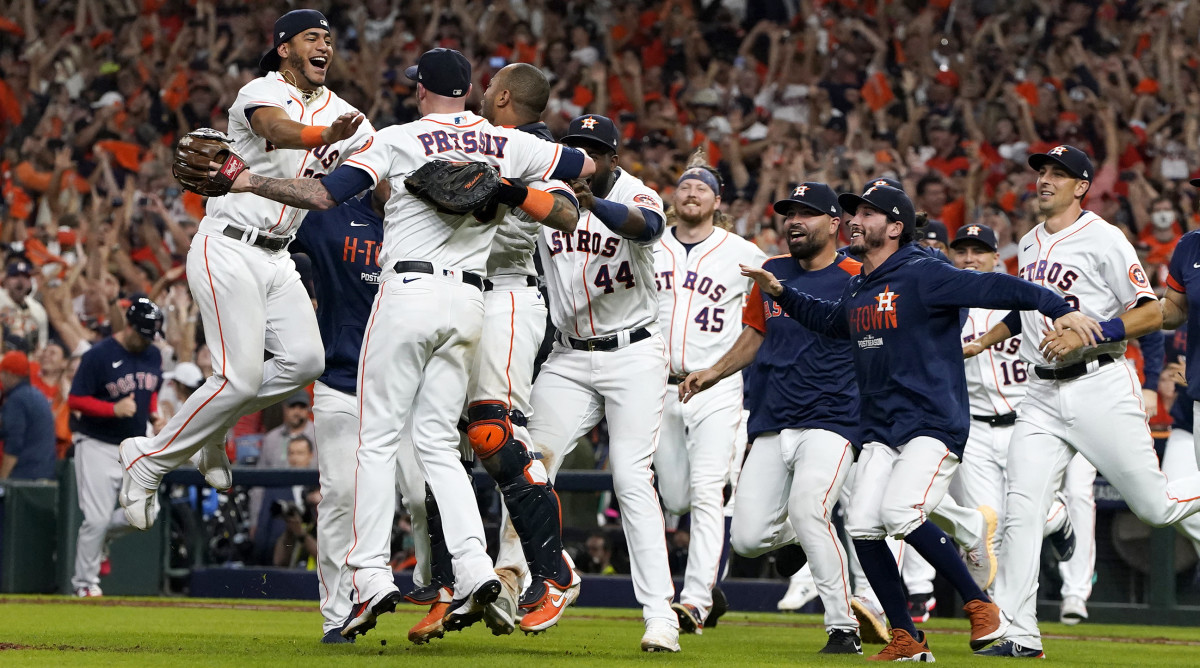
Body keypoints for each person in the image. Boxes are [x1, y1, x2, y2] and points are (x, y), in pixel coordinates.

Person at [222, 47, 594, 640]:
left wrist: (243, 178)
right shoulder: (507, 143)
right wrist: (504, 183)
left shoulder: (399, 138)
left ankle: (370, 575)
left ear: (422, 90)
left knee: (376, 439)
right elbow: (581, 167)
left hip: (410, 291)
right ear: (471, 92)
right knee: (439, 448)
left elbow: (322, 196)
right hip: (472, 303)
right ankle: (474, 568)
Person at [742, 183, 1097, 661]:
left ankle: (980, 605)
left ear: (894, 227)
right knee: (864, 527)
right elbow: (833, 322)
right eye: (852, 212)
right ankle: (907, 637)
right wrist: (782, 291)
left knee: (901, 513)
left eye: (866, 213)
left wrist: (1060, 308)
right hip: (881, 429)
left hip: (932, 424)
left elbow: (998, 286)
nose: (854, 220)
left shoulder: (925, 273)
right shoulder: (861, 282)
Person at [118, 8, 373, 530]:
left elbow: (371, 168)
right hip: (228, 245)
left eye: (327, 38)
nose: (323, 45)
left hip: (279, 257)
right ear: (285, 48)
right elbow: (276, 132)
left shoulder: (347, 112)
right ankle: (148, 458)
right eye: (310, 38)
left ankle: (210, 430)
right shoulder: (261, 91)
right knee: (239, 377)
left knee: (305, 362)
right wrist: (327, 133)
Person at [970, 145, 1200, 658]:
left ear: (1081, 187)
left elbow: (1152, 313)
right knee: (1021, 510)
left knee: (1155, 507)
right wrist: (988, 338)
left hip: (1099, 384)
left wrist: (1092, 336)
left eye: (1059, 174)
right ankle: (1018, 632)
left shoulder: (1105, 238)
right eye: (1042, 172)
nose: (1045, 180)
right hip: (1041, 391)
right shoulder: (1027, 244)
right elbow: (1030, 312)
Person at [494, 113, 681, 653]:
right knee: (525, 463)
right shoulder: (550, 196)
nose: (584, 158)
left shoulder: (636, 193)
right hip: (570, 355)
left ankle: (660, 615)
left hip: (634, 353)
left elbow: (647, 228)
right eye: (575, 147)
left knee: (629, 477)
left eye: (594, 151)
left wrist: (591, 203)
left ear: (613, 159)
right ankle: (519, 578)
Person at [409, 62, 583, 642]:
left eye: (488, 88)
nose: (479, 93)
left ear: (503, 94)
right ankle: (454, 584)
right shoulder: (477, 137)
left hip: (510, 292)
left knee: (492, 432)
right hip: (462, 292)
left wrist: (507, 188)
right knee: (439, 438)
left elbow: (565, 210)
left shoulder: (533, 146)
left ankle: (554, 574)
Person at [679, 182, 864, 653]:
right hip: (771, 417)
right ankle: (797, 540)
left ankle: (843, 627)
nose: (795, 221)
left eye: (807, 213)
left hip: (834, 417)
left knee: (809, 509)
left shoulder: (856, 275)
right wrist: (714, 372)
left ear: (834, 224)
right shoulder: (770, 271)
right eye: (789, 213)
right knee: (745, 537)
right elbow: (755, 335)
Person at [652, 158, 765, 634]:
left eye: (702, 187)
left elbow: (767, 314)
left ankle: (694, 600)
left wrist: (721, 371)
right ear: (673, 198)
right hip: (657, 385)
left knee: (703, 493)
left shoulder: (743, 252)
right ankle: (701, 591)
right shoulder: (649, 244)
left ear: (717, 202)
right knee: (673, 497)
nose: (692, 191)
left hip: (715, 385)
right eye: (685, 185)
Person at [66, 298, 164, 597]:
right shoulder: (98, 355)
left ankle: (102, 539)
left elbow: (150, 391)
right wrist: (112, 409)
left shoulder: (153, 356)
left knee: (147, 513)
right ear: (129, 326)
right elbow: (75, 400)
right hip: (96, 443)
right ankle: (85, 585)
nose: (147, 341)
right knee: (95, 519)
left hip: (133, 445)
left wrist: (155, 414)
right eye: (143, 334)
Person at [0, 350, 55, 481]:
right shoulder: (34, 394)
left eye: (2, 373)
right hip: (44, 472)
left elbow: (14, 444)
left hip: (25, 477)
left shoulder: (17, 399)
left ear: (10, 375)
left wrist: (2, 479)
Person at [257, 391, 316, 468]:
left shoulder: (319, 436)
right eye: (292, 406)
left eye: (302, 406)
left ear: (308, 409)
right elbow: (261, 472)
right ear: (284, 408)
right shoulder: (271, 438)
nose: (297, 412)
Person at [0, 259, 48, 353]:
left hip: (26, 359)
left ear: (30, 283)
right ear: (5, 280)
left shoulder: (38, 310)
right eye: (15, 276)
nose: (20, 281)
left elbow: (41, 346)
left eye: (25, 277)